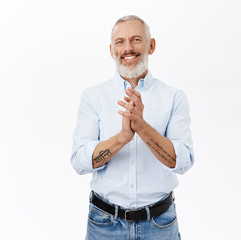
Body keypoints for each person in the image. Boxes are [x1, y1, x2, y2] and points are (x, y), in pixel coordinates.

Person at [70, 15, 194, 240]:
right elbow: (79, 162)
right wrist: (122, 137)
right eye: (120, 42)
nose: (128, 48)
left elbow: (182, 162)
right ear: (111, 50)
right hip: (103, 225)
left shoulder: (174, 97)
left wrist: (143, 128)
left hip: (160, 226)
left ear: (151, 45)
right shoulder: (93, 97)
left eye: (136, 40)